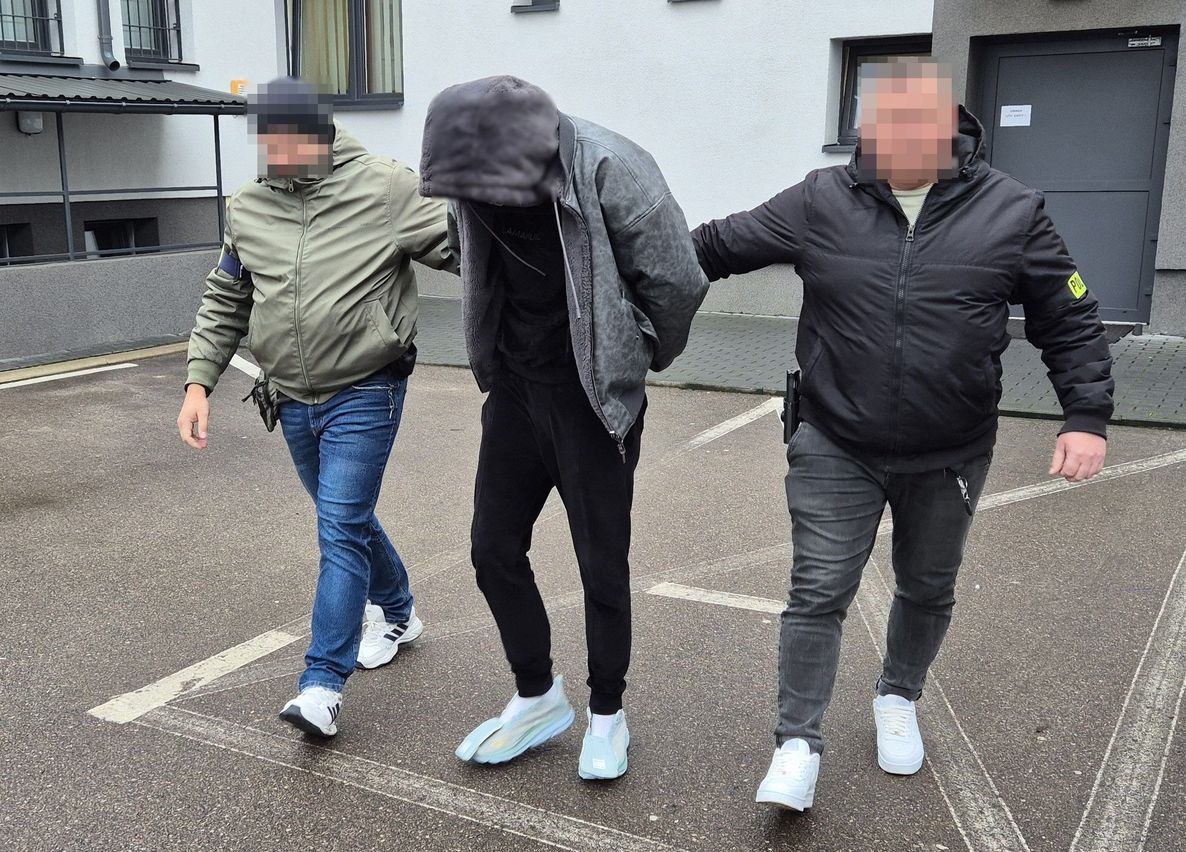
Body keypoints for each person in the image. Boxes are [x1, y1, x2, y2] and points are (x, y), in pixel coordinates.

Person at [691, 58, 1114, 811]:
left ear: (952, 128)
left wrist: (1086, 417)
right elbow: (712, 247)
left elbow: (1069, 316)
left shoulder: (1012, 209)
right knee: (817, 589)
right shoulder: (821, 198)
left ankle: (897, 695)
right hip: (835, 437)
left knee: (927, 586)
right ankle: (797, 743)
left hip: (951, 448)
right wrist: (617, 264)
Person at [419, 75, 709, 779]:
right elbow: (462, 247)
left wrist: (635, 353)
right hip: (516, 388)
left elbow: (677, 280)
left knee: (600, 564)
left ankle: (608, 713)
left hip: (591, 398)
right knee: (492, 549)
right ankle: (537, 695)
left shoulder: (612, 167)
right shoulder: (467, 169)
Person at [177, 77, 456, 738]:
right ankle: (398, 610)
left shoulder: (386, 187)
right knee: (345, 519)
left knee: (338, 527)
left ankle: (322, 685)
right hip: (289, 396)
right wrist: (198, 383)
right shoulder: (248, 205)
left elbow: (466, 250)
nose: (275, 154)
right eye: (267, 142)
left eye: (288, 140)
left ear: (320, 132)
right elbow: (227, 297)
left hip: (367, 387)